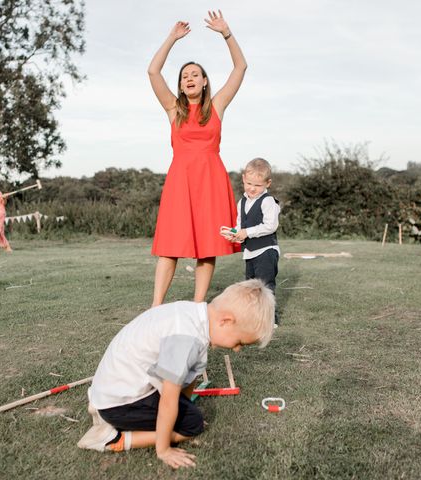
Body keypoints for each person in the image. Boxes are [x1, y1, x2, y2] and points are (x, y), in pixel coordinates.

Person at [77, 279, 275, 469]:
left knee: (184, 413)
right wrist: (164, 449)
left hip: (113, 389)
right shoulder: (186, 340)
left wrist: (183, 407)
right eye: (239, 342)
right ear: (226, 321)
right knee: (192, 424)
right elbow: (169, 400)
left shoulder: (192, 315)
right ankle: (115, 439)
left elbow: (189, 377)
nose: (237, 349)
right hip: (119, 403)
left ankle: (110, 412)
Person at [148, 10, 247, 306]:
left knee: (207, 247)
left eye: (195, 75)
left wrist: (227, 33)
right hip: (180, 181)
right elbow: (153, 72)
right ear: (180, 86)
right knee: (169, 246)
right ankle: (156, 306)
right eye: (185, 76)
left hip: (211, 180)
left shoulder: (217, 106)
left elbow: (240, 67)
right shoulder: (173, 110)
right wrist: (172, 38)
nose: (189, 78)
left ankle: (198, 304)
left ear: (204, 82)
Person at [220, 158, 280, 325]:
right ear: (243, 178)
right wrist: (234, 233)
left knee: (265, 287)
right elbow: (240, 226)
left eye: (258, 185)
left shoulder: (268, 201)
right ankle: (253, 316)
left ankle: (269, 320)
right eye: (249, 183)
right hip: (250, 252)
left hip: (266, 251)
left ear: (268, 183)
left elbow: (271, 226)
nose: (252, 188)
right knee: (251, 287)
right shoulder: (243, 201)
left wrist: (247, 232)